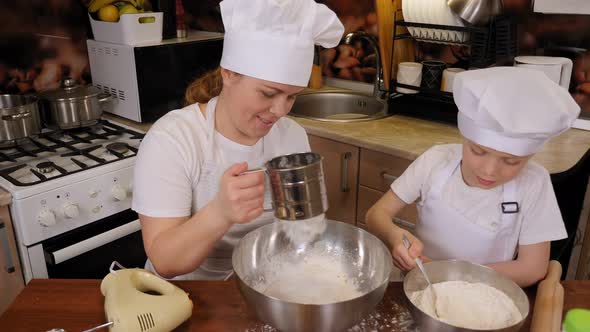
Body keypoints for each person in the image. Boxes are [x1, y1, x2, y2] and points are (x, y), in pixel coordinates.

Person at [132, 0, 344, 280]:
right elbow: (165, 261)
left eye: (291, 96)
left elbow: (303, 230)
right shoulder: (172, 139)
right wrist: (220, 212)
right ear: (229, 73)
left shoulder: (292, 135)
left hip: (266, 286)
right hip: (187, 297)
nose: (280, 111)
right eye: (268, 94)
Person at [366, 67, 580, 287]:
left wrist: (451, 275)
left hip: (484, 298)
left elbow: (532, 269)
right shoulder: (436, 160)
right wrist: (394, 236)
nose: (489, 170)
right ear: (464, 137)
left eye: (511, 161)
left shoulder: (534, 183)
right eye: (478, 152)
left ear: (529, 156)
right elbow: (375, 215)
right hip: (417, 284)